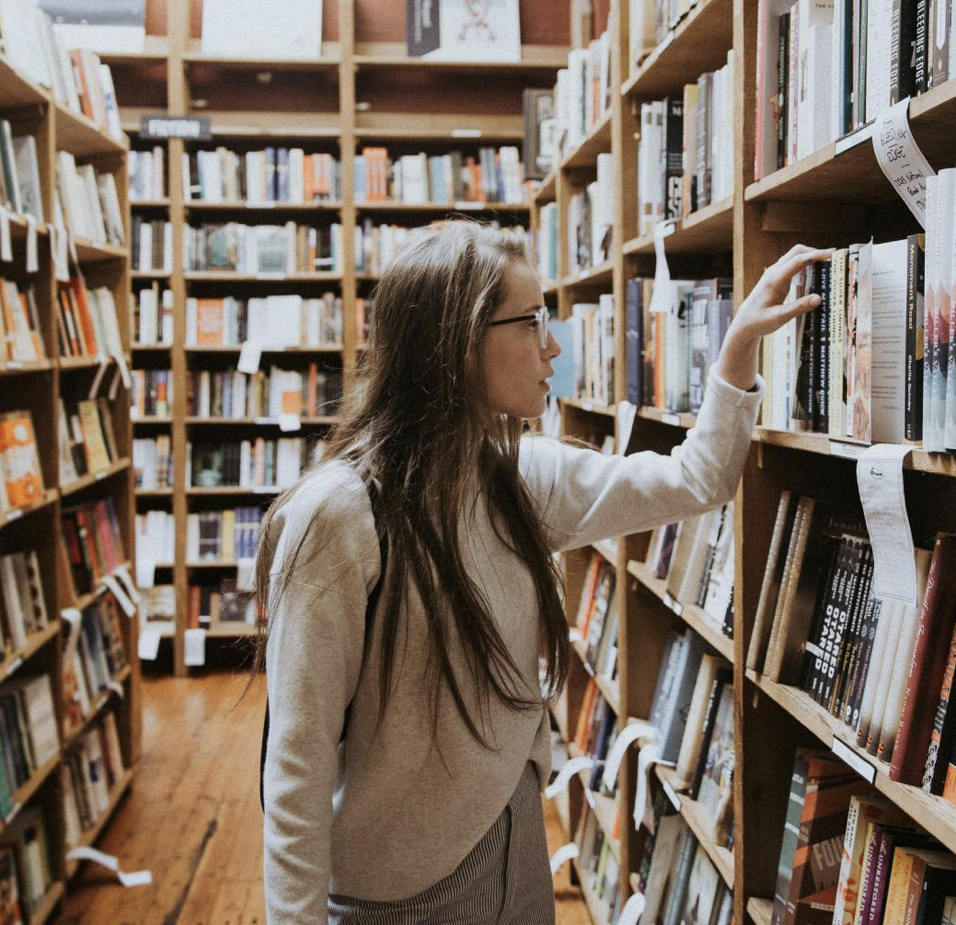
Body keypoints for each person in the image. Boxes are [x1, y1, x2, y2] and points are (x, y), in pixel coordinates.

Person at [259, 221, 826, 924]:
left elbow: (697, 479)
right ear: (459, 345)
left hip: (516, 847)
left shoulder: (522, 477)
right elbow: (297, 761)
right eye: (531, 322)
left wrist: (738, 348)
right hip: (396, 895)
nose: (553, 343)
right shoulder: (338, 516)